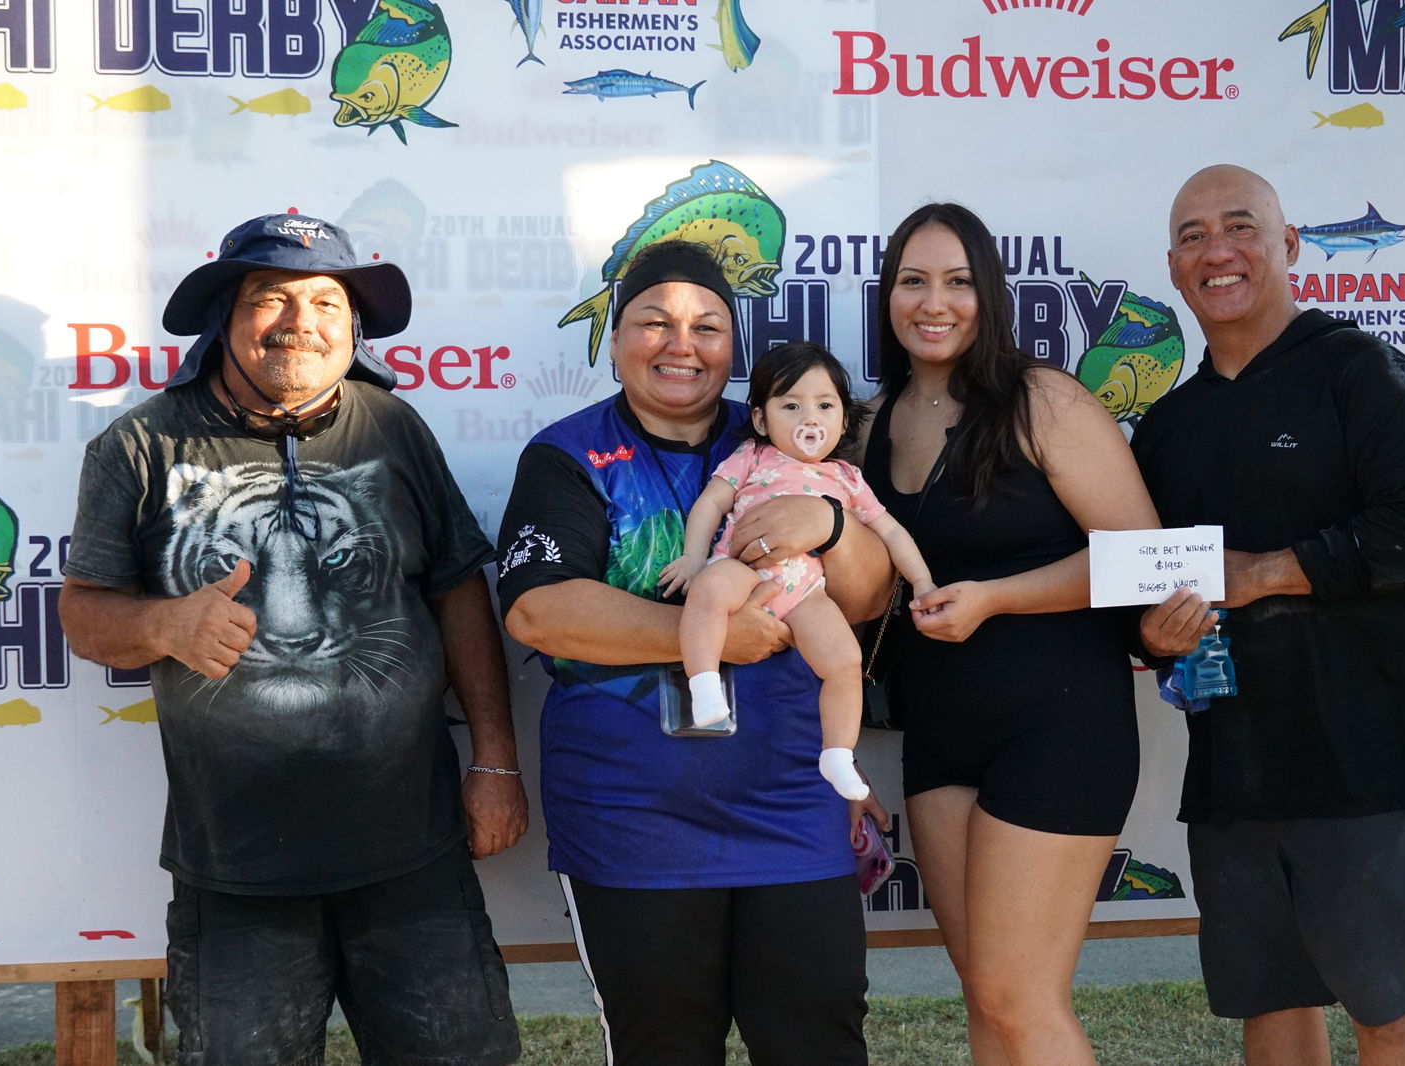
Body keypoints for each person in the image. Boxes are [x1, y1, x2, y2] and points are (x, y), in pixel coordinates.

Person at [58, 213, 526, 1066]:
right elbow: (85, 612)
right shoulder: (141, 444)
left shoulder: (393, 427)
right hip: (235, 866)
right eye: (269, 297)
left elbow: (457, 590)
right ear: (224, 322)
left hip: (411, 851)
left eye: (325, 300)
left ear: (353, 329)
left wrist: (495, 760)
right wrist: (165, 622)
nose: (299, 319)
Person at [495, 241, 892, 1066]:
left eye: (708, 326)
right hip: (634, 821)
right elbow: (539, 611)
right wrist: (713, 638)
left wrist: (831, 525)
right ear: (614, 340)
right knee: (665, 1049)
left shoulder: (784, 434)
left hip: (792, 802)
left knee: (818, 1041)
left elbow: (866, 598)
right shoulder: (568, 455)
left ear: (734, 350)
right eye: (655, 322)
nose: (682, 344)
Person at [1133, 164, 1405, 1066]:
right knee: (1271, 1012)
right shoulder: (1165, 429)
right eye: (1194, 236)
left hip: (1367, 765)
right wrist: (1152, 635)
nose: (1218, 252)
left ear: (1287, 246)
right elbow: (1148, 589)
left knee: (1388, 1014)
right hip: (1232, 777)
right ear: (1173, 268)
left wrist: (1269, 573)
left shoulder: (1361, 371)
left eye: (1240, 227)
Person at [859, 202, 1161, 1066]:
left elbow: (1144, 561)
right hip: (941, 734)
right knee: (985, 999)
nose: (934, 302)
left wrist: (996, 599)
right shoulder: (872, 423)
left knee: (1018, 996)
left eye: (958, 281)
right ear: (888, 297)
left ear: (990, 294)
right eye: (913, 281)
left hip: (1059, 724)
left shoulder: (1044, 400)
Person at [657, 341, 935, 801]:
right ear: (762, 419)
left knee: (845, 662)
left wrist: (922, 581)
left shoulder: (847, 478)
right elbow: (710, 503)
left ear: (844, 420)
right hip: (743, 567)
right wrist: (693, 556)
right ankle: (703, 682)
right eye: (791, 405)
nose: (810, 418)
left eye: (825, 406)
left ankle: (838, 753)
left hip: (809, 593)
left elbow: (892, 533)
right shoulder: (751, 457)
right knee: (708, 590)